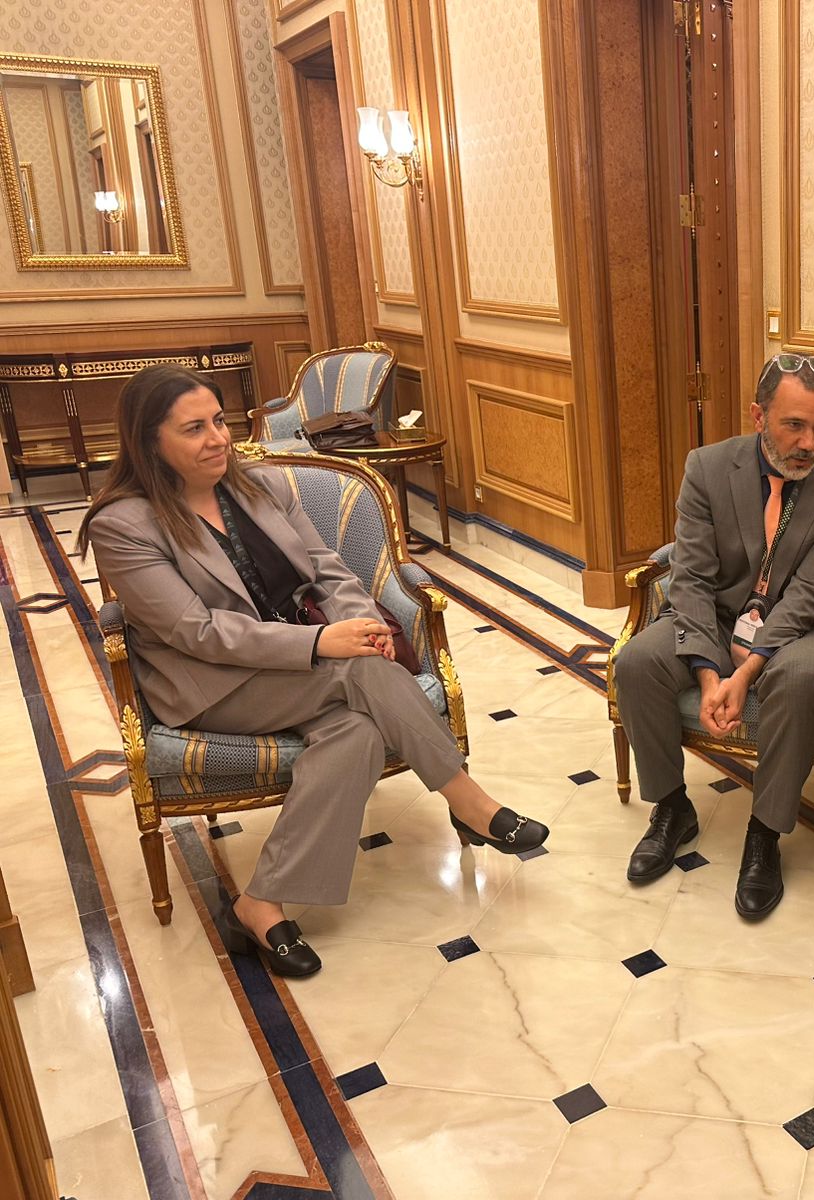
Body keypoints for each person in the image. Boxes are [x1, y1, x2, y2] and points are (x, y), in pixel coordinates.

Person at [83, 365, 547, 978]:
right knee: (358, 673)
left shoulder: (260, 486)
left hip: (304, 666)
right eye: (194, 429)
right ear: (149, 442)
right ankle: (468, 802)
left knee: (355, 730)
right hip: (213, 684)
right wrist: (326, 641)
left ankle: (259, 904)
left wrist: (366, 625)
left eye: (219, 421)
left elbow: (326, 569)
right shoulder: (123, 524)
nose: (218, 439)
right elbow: (196, 631)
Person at [613, 353, 814, 918]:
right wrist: (711, 676)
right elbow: (692, 578)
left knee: (800, 678)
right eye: (794, 425)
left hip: (797, 626)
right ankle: (673, 807)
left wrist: (747, 670)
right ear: (758, 416)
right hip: (717, 613)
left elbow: (810, 593)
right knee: (636, 662)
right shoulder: (707, 467)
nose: (810, 443)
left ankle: (764, 834)